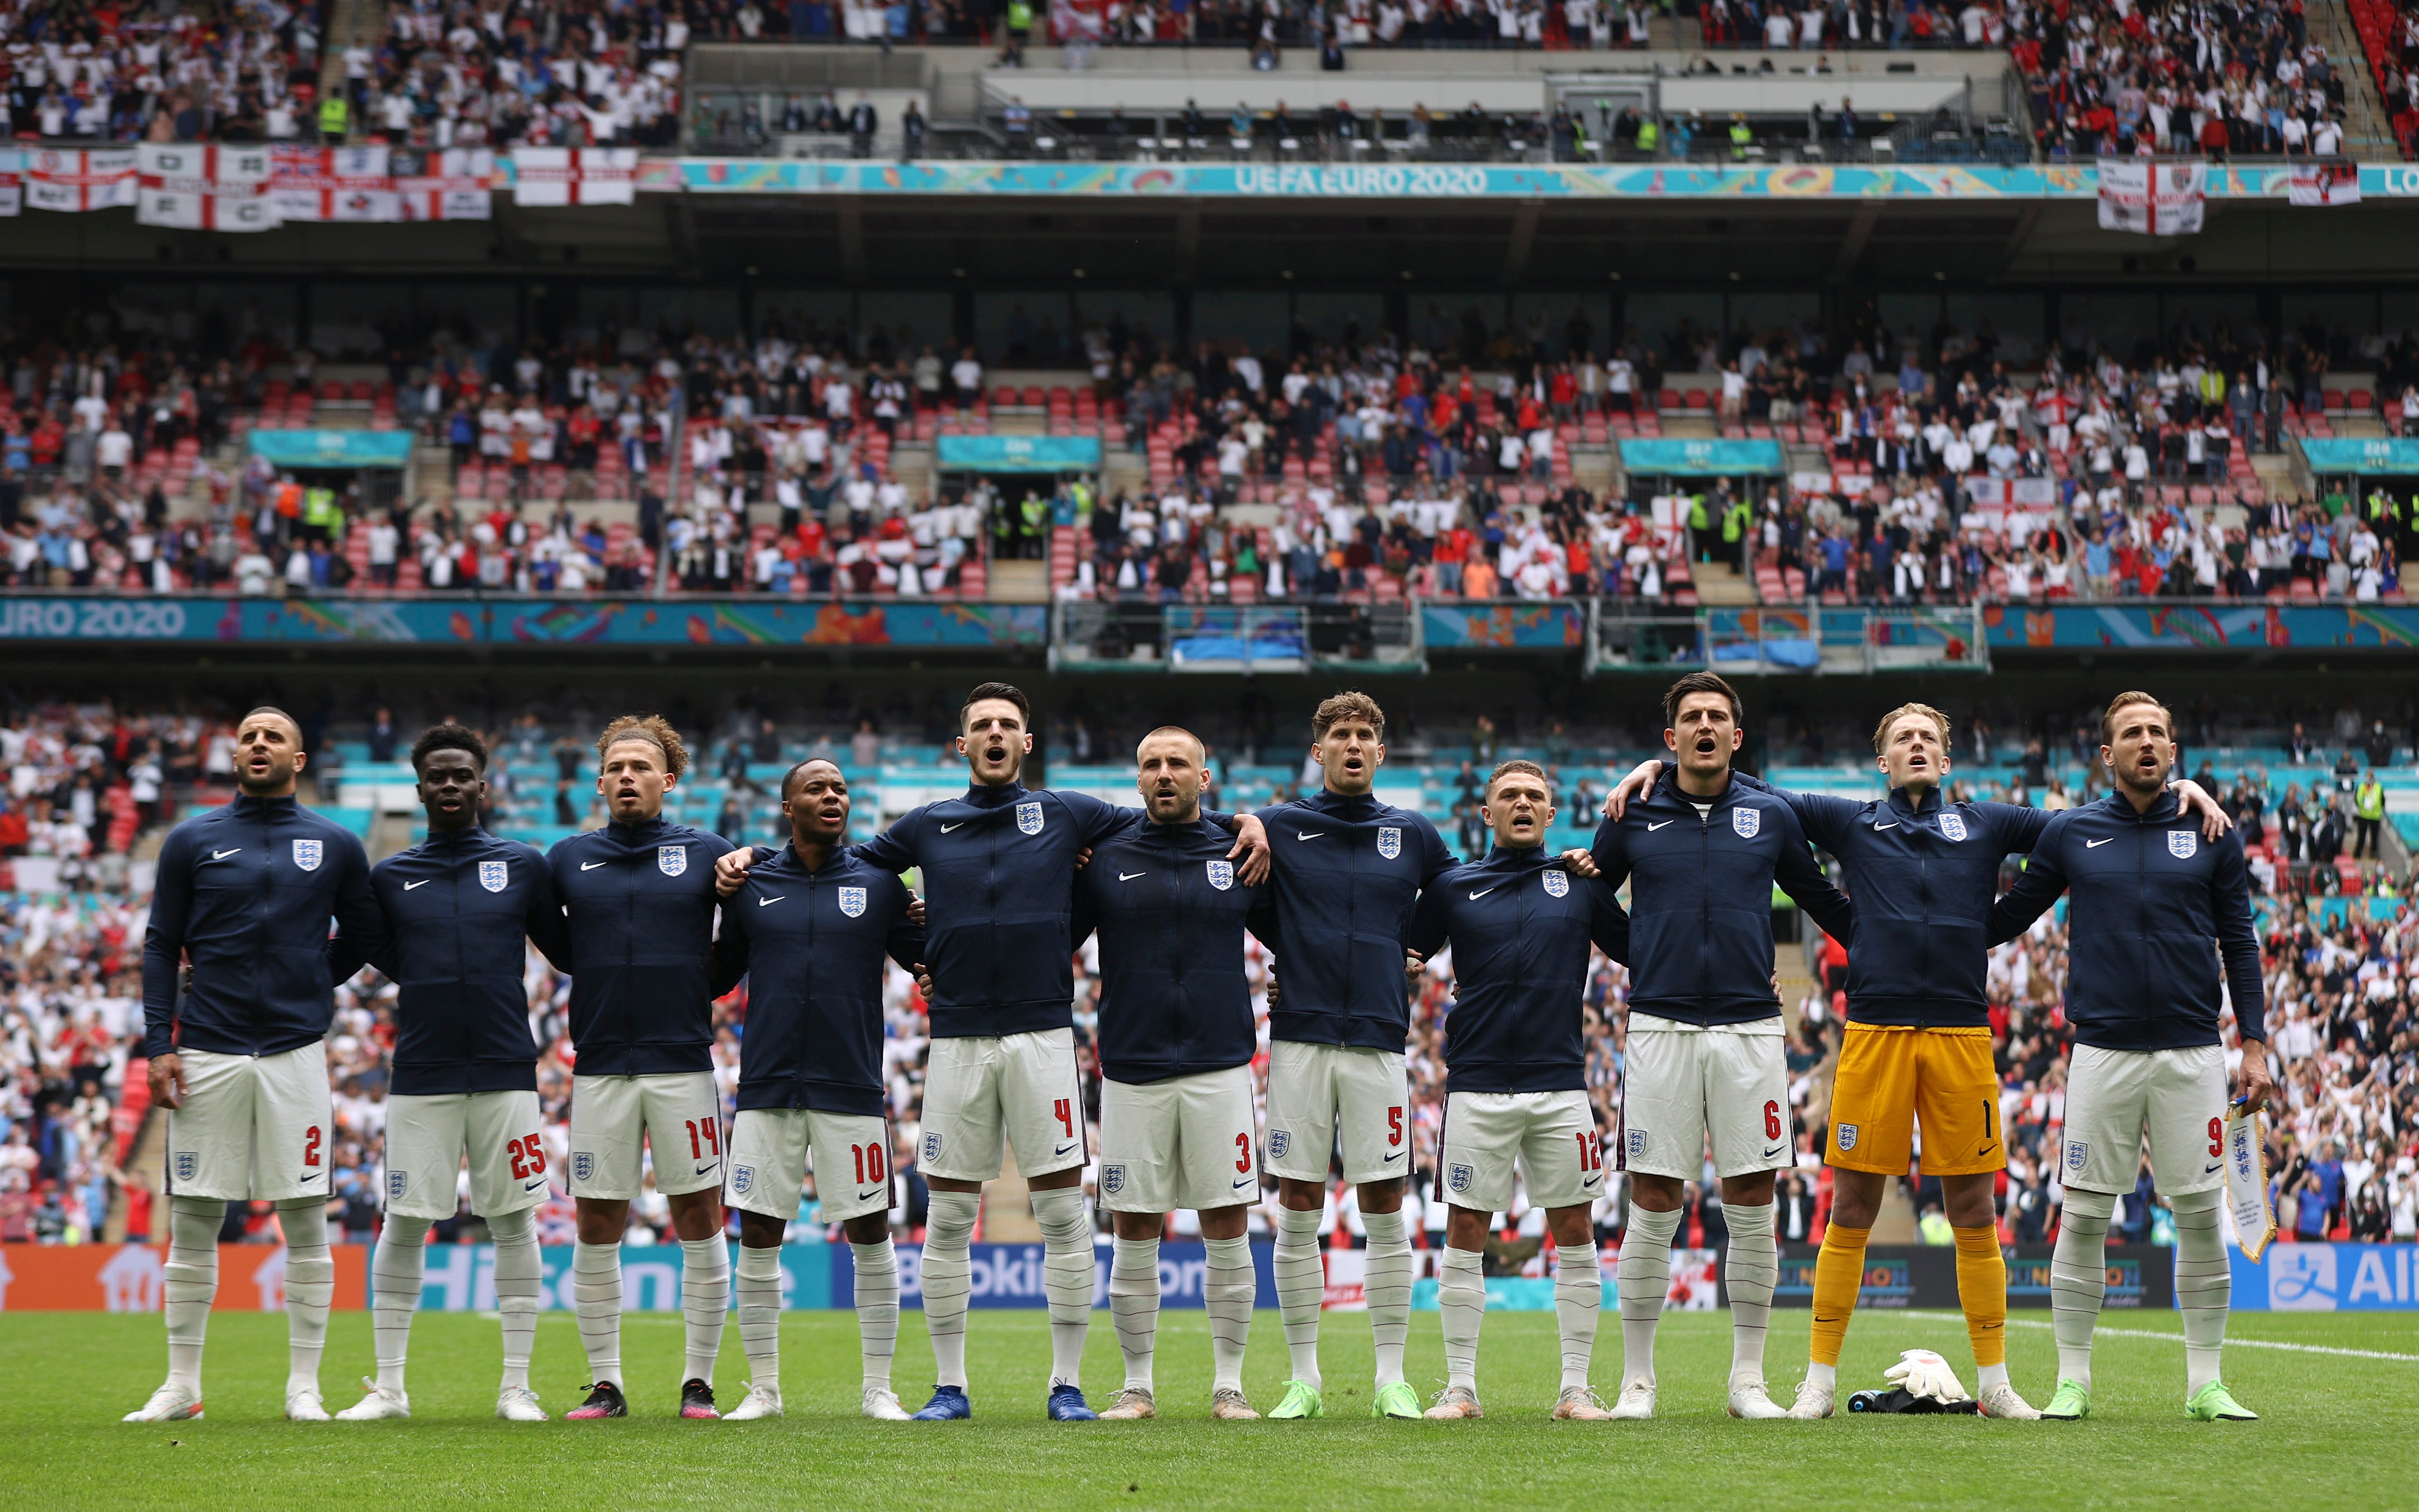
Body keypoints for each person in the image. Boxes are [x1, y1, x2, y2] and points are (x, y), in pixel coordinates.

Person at [1601, 702, 2228, 1420]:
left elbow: (2099, 820)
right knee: (1853, 1207)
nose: (1918, 746)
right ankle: (1819, 1382)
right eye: (1904, 738)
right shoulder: (1848, 821)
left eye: (1930, 737)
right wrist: (1656, 769)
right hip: (1874, 1034)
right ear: (1884, 759)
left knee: (1973, 1209)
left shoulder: (1988, 822)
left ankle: (1995, 1383)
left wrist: (2186, 796)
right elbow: (1737, 787)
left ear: (1949, 756)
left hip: (1963, 1037)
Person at [714, 682, 1268, 1422]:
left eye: (1010, 724)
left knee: (1065, 1215)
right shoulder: (925, 826)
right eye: (983, 725)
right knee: (946, 1219)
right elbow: (834, 860)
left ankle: (1066, 1385)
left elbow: (1169, 816)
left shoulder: (1071, 812)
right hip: (957, 1042)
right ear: (964, 744)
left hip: (1044, 1037)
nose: (997, 733)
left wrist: (1249, 819)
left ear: (1027, 743)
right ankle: (951, 1386)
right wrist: (751, 855)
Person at [1255, 692, 1598, 1421]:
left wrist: (1406, 954)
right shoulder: (1278, 827)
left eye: (1365, 737)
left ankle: (1391, 1379)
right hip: (1298, 1043)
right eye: (1340, 736)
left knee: (1384, 1204)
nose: (1352, 746)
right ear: (1320, 752)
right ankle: (1303, 1380)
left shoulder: (1414, 837)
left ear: (1382, 754)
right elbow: (1239, 891)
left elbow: (1443, 913)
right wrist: (1289, 945)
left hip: (1382, 1043)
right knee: (1296, 1208)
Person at [1988, 692, 2273, 1423]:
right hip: (2102, 1053)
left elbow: (2240, 941)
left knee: (2201, 1217)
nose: (2146, 743)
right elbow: (2007, 918)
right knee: (2083, 1216)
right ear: (2107, 757)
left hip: (2193, 1054)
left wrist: (2255, 1043)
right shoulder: (2072, 833)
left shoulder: (2211, 831)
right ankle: (2073, 1382)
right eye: (2130, 735)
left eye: (2157, 733)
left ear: (2173, 752)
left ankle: (2205, 1385)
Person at [1584, 673, 1853, 1421]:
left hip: (1749, 1029)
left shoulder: (1769, 814)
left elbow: (1823, 900)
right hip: (1661, 1025)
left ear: (1738, 735)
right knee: (1653, 1202)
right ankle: (1637, 1382)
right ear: (1669, 739)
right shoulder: (1633, 811)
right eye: (1691, 718)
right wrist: (1644, 951)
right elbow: (1586, 894)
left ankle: (1748, 1382)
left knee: (1752, 1199)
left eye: (1719, 718)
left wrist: (1892, 948)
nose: (1706, 727)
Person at [126, 708, 382, 1423]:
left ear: (299, 760)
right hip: (206, 1048)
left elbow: (361, 935)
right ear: (234, 755)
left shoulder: (334, 844)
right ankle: (182, 1386)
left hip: (296, 1054)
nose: (259, 743)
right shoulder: (191, 840)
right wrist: (159, 1043)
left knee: (304, 1216)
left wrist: (307, 980)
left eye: (274, 737)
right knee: (196, 1217)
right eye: (249, 736)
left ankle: (305, 1387)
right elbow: (158, 946)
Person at [326, 724, 572, 1423]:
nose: (451, 786)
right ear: (421, 790)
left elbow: (568, 951)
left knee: (515, 1222)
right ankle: (390, 1390)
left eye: (462, 775)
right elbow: (363, 955)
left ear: (483, 785)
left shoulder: (523, 864)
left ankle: (516, 1387)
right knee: (402, 1223)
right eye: (438, 777)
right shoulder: (390, 875)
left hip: (506, 1070)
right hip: (422, 1071)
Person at [1407, 760, 1631, 1422]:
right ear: (1486, 813)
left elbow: (1638, 948)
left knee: (1575, 1230)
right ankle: (1459, 1388)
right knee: (1466, 1229)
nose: (1524, 804)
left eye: (1536, 796)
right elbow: (1402, 955)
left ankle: (1575, 1389)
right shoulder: (1452, 887)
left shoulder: (1580, 884)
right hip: (1475, 1084)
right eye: (1510, 795)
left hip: (1560, 1085)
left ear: (1553, 813)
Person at [708, 758, 923, 1421]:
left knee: (870, 1233)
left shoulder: (880, 884)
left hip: (851, 1083)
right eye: (817, 789)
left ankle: (878, 1388)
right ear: (787, 805)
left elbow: (929, 958)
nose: (832, 797)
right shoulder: (750, 883)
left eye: (840, 789)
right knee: (761, 1233)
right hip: (767, 1084)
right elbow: (716, 975)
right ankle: (764, 1390)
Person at [1078, 727, 1275, 1422]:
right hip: (1131, 1069)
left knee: (1227, 1222)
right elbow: (1048, 933)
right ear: (1137, 779)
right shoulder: (1103, 857)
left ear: (1205, 776)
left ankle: (1230, 1386)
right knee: (1134, 1225)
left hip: (1221, 1066)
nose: (1164, 774)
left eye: (1177, 765)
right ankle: (1137, 1387)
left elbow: (1296, 935)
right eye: (1151, 765)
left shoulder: (1242, 850)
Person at [548, 715, 738, 1421]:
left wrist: (702, 983)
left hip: (682, 1064)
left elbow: (743, 936)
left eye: (641, 767)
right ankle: (606, 1384)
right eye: (617, 768)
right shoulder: (567, 858)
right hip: (600, 1066)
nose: (628, 777)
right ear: (600, 783)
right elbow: (558, 944)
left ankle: (699, 1382)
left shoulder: (710, 854)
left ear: (669, 781)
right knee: (598, 1219)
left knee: (699, 1214)